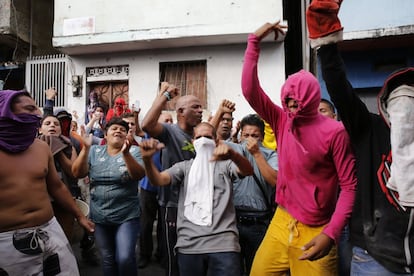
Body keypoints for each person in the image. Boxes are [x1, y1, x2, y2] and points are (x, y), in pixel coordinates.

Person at [241, 21, 357, 275]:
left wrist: (331, 233)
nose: (291, 106)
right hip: (281, 220)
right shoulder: (281, 120)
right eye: (287, 101)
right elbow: (250, 91)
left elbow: (349, 187)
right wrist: (254, 41)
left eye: (296, 102)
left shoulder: (334, 132)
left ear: (311, 99)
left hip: (317, 228)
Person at [307, 0, 414, 273]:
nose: (407, 109)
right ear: (387, 105)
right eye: (401, 101)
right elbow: (339, 88)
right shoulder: (370, 129)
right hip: (375, 259)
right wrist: (325, 40)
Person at [139, 122, 254, 276]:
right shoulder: (184, 168)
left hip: (224, 245)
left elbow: (247, 170)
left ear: (216, 141)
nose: (203, 140)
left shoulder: (225, 165)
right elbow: (159, 180)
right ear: (193, 143)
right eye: (199, 137)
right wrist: (147, 160)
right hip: (189, 244)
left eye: (207, 137)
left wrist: (233, 155)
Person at [0, 89, 94, 275]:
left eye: (36, 109)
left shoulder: (41, 148)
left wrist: (80, 216)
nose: (37, 114)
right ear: (6, 112)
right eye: (29, 109)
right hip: (7, 242)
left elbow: (57, 186)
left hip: (50, 230)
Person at [142, 82, 203, 276]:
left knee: (194, 254)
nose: (201, 110)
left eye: (201, 106)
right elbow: (146, 125)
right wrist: (165, 95)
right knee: (173, 258)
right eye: (196, 107)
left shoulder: (199, 134)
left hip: (197, 203)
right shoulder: (170, 131)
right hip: (173, 203)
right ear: (181, 111)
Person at [72, 117, 146, 276]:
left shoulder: (134, 151)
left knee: (125, 258)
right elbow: (77, 173)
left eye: (122, 129)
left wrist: (126, 154)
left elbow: (138, 175)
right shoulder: (93, 151)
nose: (118, 131)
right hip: (100, 216)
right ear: (105, 134)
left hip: (127, 216)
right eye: (114, 128)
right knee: (108, 258)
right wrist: (85, 148)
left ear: (127, 135)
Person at [138, 112, 173, 269]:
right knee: (146, 223)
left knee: (163, 224)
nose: (169, 123)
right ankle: (144, 255)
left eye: (171, 120)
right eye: (166, 120)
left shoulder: (173, 138)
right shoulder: (149, 135)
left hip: (167, 186)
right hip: (148, 187)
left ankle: (161, 253)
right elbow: (142, 126)